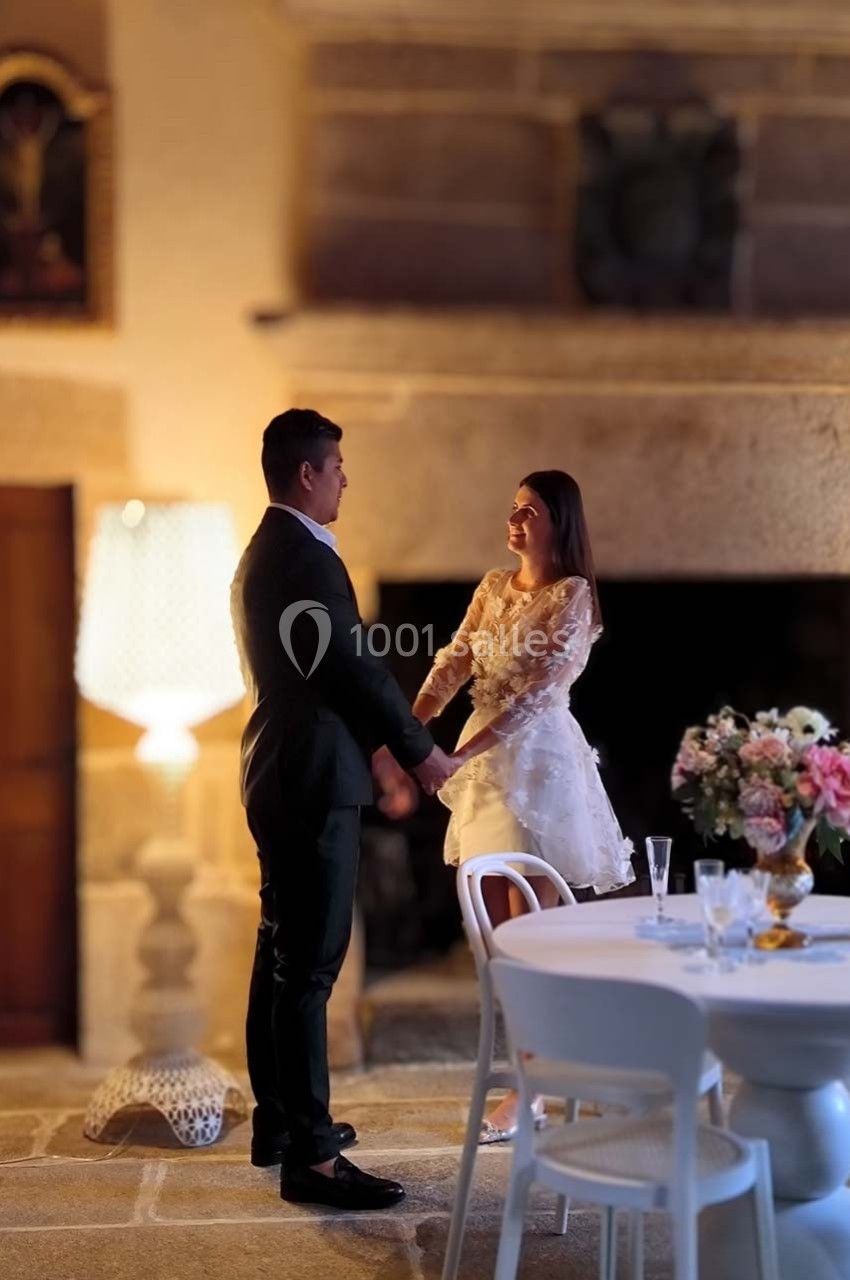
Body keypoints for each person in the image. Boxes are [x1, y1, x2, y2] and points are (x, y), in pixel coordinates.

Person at [230, 408, 454, 1208]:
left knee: (282, 956)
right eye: (337, 467)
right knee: (311, 968)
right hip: (309, 781)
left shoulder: (269, 551)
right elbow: (355, 670)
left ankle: (282, 1126)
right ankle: (314, 1161)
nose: (344, 480)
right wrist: (420, 750)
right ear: (307, 475)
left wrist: (386, 756)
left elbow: (323, 673)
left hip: (281, 772)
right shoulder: (303, 557)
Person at [412, 470, 634, 1142]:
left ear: (557, 522)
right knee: (489, 936)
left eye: (529, 511)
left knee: (526, 932)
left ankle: (533, 1086)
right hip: (482, 771)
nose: (513, 521)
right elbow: (454, 661)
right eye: (512, 508)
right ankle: (542, 1070)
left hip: (538, 770)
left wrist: (458, 755)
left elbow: (536, 696)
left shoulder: (575, 599)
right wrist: (407, 731)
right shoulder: (490, 587)